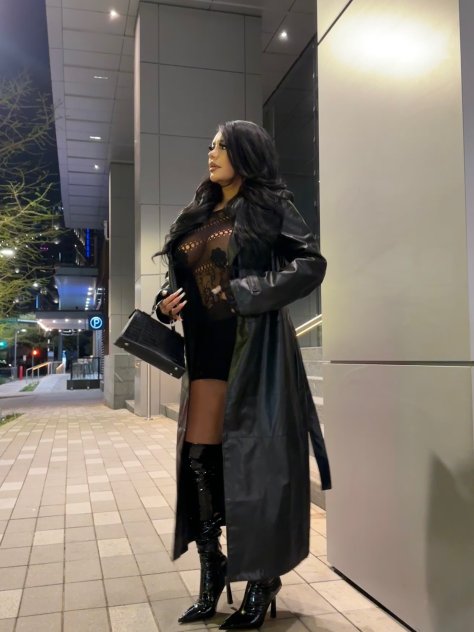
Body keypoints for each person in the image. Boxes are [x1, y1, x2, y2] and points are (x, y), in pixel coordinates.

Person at [155, 120, 331, 629]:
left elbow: (310, 263)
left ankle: (262, 577)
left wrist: (247, 291)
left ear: (246, 153)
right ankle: (213, 569)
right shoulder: (197, 212)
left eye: (221, 146)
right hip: (204, 351)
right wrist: (164, 305)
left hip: (255, 350)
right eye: (210, 145)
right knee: (200, 461)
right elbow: (181, 279)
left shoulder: (272, 205)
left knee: (257, 466)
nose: (211, 154)